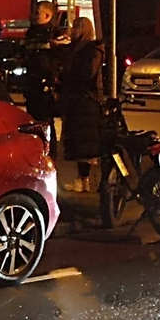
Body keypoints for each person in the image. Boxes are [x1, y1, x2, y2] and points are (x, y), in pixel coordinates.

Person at [59, 17, 105, 193]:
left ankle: (85, 180)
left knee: (86, 144)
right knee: (81, 143)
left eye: (76, 28)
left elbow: (87, 74)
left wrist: (68, 76)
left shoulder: (92, 49)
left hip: (87, 100)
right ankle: (83, 180)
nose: (72, 31)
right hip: (77, 100)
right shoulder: (75, 49)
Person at [23, 1, 70, 152]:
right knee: (33, 121)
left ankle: (50, 153)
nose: (33, 16)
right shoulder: (30, 33)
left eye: (37, 13)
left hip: (47, 86)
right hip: (32, 84)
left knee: (46, 122)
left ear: (48, 16)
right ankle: (37, 152)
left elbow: (64, 58)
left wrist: (53, 78)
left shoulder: (56, 34)